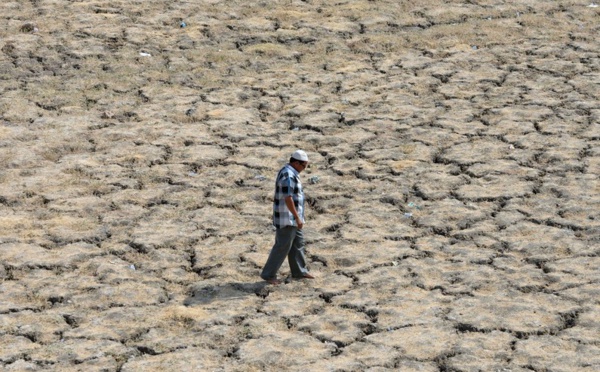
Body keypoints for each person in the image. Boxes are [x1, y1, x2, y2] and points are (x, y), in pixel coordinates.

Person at [260, 150, 315, 285]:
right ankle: (268, 274)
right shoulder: (288, 175)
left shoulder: (290, 172)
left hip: (294, 218)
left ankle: (299, 271)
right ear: (296, 163)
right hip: (288, 218)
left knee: (298, 243)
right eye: (304, 165)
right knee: (282, 246)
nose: (304, 169)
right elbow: (288, 198)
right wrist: (297, 217)